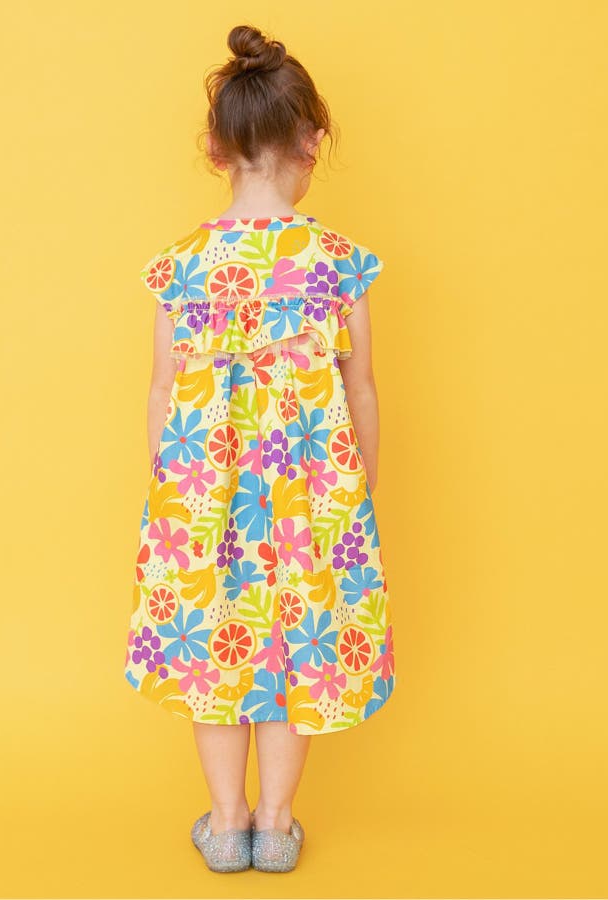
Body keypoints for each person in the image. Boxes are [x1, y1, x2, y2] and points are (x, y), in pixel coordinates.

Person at [124, 23, 395, 874]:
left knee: (217, 649)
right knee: (291, 644)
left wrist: (171, 495)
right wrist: (360, 490)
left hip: (205, 498)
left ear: (215, 148)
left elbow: (163, 392)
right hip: (309, 499)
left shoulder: (181, 267)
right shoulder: (337, 264)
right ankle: (276, 825)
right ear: (312, 140)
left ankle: (226, 818)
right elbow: (360, 390)